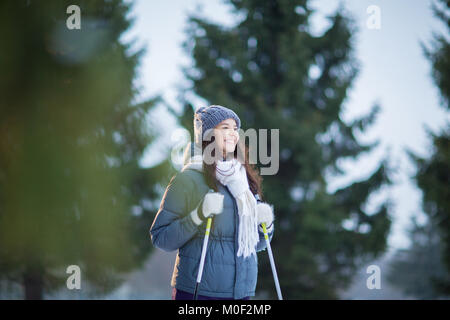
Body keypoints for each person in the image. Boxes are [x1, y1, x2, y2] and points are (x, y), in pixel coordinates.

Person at [150, 105, 275, 300]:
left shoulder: (244, 181)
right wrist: (198, 215)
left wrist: (266, 225)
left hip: (241, 294)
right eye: (225, 128)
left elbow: (255, 244)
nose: (233, 133)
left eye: (235, 128)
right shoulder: (188, 179)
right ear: (208, 135)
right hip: (199, 293)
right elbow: (161, 238)